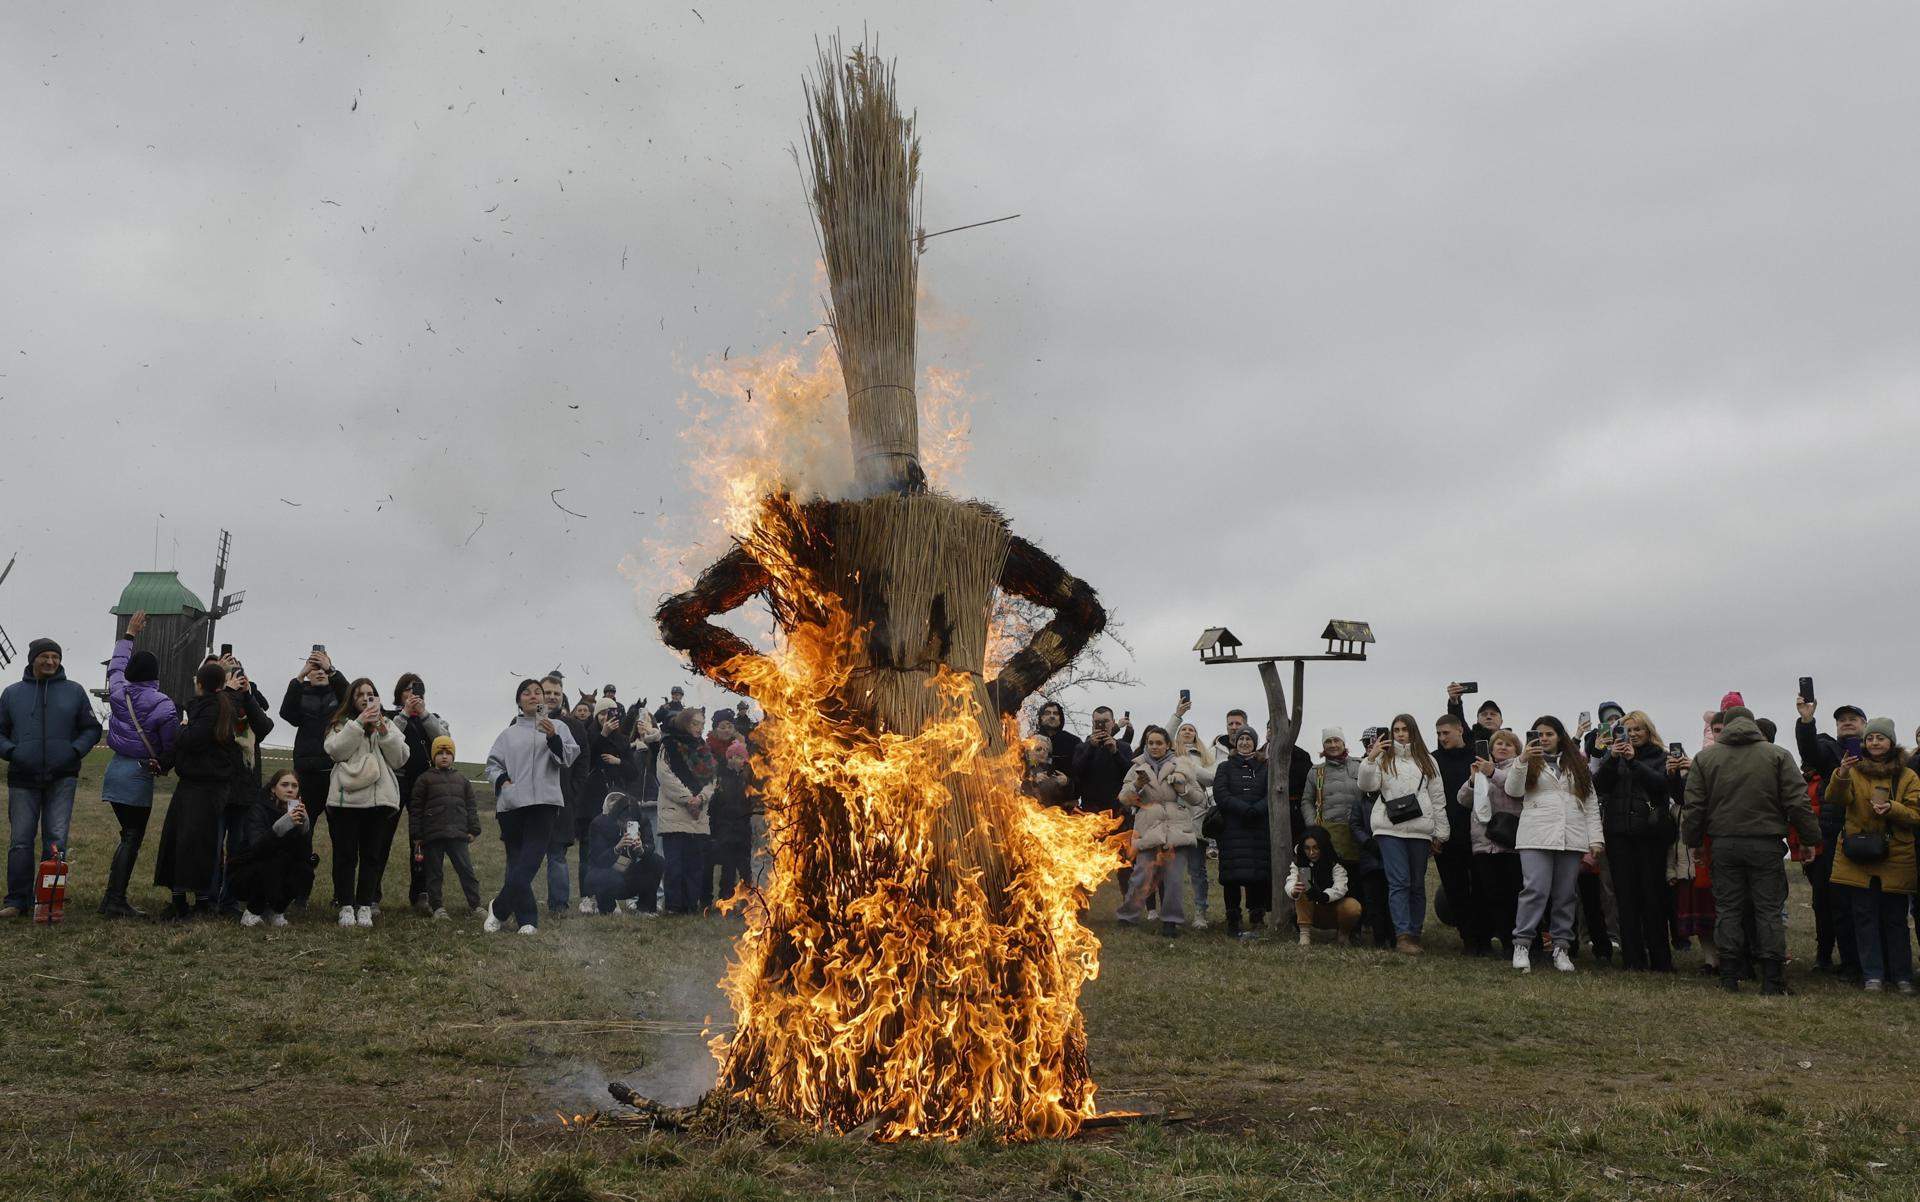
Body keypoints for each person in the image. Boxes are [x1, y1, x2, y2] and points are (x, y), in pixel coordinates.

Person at [1681, 705, 1822, 994]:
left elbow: (1694, 807)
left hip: (1723, 844)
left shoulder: (1706, 759)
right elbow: (1798, 802)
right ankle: (1772, 980)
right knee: (1769, 911)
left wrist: (1694, 843)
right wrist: (1810, 839)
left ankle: (1729, 977)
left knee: (1728, 909)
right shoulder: (1778, 755)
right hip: (1766, 844)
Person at [0, 636, 103, 919]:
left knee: (56, 841)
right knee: (20, 841)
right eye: (44, 656)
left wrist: (74, 750)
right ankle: (16, 901)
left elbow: (91, 728)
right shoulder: (12, 694)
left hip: (62, 776)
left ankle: (48, 902)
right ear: (33, 659)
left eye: (55, 657)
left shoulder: (74, 691)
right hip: (23, 777)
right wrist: (12, 751)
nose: (50, 661)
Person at [1825, 717, 1920, 993]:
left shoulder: (1907, 775)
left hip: (1896, 855)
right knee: (1864, 918)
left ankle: (1901, 976)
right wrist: (1841, 773)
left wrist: (1892, 808)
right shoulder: (1853, 770)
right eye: (1870, 738)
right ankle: (1873, 976)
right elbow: (1836, 798)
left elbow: (1916, 814)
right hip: (1859, 854)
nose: (1874, 743)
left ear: (1891, 741)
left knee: (1895, 920)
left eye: (1880, 738)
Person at [1504, 717, 1603, 974]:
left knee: (1566, 894)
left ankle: (1561, 948)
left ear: (1560, 735)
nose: (1544, 738)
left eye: (1549, 733)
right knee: (1534, 889)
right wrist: (1522, 759)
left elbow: (1590, 804)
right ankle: (1522, 944)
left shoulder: (1577, 764)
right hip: (1535, 834)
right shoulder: (1527, 761)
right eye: (1539, 734)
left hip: (1571, 835)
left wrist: (1595, 839)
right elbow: (1513, 791)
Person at [484, 679, 580, 934]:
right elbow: (492, 764)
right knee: (517, 862)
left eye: (538, 692)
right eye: (526, 693)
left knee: (530, 862)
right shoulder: (508, 733)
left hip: (544, 804)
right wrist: (503, 781)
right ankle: (527, 920)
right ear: (519, 701)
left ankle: (500, 908)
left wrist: (552, 737)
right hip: (512, 806)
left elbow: (568, 758)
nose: (533, 696)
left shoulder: (558, 726)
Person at [98, 611, 178, 918]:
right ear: (155, 674)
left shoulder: (118, 690)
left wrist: (129, 635)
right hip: (138, 774)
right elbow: (169, 743)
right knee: (132, 837)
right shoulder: (162, 703)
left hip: (115, 769)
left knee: (127, 835)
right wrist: (164, 762)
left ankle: (114, 896)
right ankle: (113, 898)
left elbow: (116, 665)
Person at [152, 661, 240, 922]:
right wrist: (165, 762)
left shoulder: (208, 709)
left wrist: (180, 727)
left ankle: (181, 900)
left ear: (199, 683)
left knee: (185, 844)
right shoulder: (220, 707)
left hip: (200, 787)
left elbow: (191, 740)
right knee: (199, 844)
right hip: (204, 786)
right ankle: (201, 899)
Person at [322, 677, 409, 928]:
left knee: (372, 856)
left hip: (378, 801)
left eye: (370, 694)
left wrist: (382, 729)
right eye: (360, 694)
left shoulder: (388, 724)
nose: (365, 698)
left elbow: (400, 758)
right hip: (345, 801)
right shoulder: (340, 724)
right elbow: (336, 751)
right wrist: (359, 724)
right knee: (345, 855)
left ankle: (365, 906)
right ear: (351, 698)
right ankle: (346, 905)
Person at [1592, 711, 1675, 972]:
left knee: (1653, 898)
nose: (1633, 734)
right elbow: (1599, 786)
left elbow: (1663, 785)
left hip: (1650, 836)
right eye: (1628, 730)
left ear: (1648, 731)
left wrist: (1634, 762)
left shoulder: (1660, 757)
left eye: (1638, 729)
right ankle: (1633, 959)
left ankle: (1661, 959)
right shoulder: (1613, 758)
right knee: (1625, 899)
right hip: (1619, 836)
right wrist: (1613, 759)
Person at [1359, 714, 1447, 955]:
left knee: (1417, 885)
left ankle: (1415, 933)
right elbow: (1366, 786)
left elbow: (1438, 798)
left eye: (1405, 729)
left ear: (1413, 731)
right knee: (1399, 882)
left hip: (1420, 829)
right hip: (1389, 828)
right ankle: (1403, 935)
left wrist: (1441, 832)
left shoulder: (1428, 760)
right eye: (1396, 729)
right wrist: (1371, 757)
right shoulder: (1383, 758)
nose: (1400, 733)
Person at [1796, 697, 1866, 977]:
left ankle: (1861, 961)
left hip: (1866, 837)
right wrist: (1806, 721)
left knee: (1859, 904)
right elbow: (1810, 751)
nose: (1846, 722)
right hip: (1832, 837)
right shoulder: (1828, 749)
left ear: (1864, 724)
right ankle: (1825, 957)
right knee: (1825, 902)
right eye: (1841, 719)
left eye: (1853, 718)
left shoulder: (1875, 750)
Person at [1114, 726, 1207, 935]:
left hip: (1177, 828)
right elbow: (1124, 799)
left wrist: (1183, 788)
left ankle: (1170, 921)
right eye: (1151, 743)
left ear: (1167, 745)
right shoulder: (1137, 767)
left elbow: (1199, 798)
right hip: (1148, 827)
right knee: (1141, 875)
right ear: (1146, 744)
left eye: (1159, 743)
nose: (1155, 747)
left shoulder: (1181, 766)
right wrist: (1137, 785)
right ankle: (1128, 916)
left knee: (1174, 879)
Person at [279, 648, 347, 907]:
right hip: (304, 775)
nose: (318, 672)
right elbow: (287, 713)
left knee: (340, 837)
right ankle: (299, 893)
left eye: (323, 667)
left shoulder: (339, 696)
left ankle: (341, 896)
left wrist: (331, 670)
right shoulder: (302, 692)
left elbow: (349, 694)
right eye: (313, 666)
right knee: (299, 834)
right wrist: (300, 676)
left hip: (334, 775)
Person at [1306, 728, 1386, 947]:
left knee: (1358, 881)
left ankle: (1357, 927)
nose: (1333, 745)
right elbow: (1307, 800)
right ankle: (1339, 926)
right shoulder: (1316, 772)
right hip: (1327, 834)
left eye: (1336, 740)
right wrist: (1313, 826)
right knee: (1333, 879)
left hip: (1357, 832)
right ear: (1323, 746)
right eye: (1328, 741)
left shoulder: (1359, 765)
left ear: (1344, 742)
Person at [210, 655, 275, 916]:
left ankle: (229, 900)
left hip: (245, 787)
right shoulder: (218, 699)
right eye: (230, 674)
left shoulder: (248, 700)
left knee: (237, 849)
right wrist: (228, 691)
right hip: (220, 784)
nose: (237, 678)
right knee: (214, 847)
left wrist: (248, 694)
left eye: (239, 673)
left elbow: (265, 726)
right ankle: (210, 898)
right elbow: (219, 722)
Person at [388, 673, 450, 913]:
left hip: (423, 784)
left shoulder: (433, 718)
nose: (413, 695)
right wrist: (404, 714)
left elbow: (444, 740)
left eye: (417, 690)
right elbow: (388, 739)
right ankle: (372, 896)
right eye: (407, 690)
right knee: (383, 837)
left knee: (421, 840)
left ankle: (421, 893)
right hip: (395, 782)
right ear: (399, 693)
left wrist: (423, 714)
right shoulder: (390, 716)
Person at [1463, 728, 1525, 955]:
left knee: (1511, 896)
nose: (1502, 747)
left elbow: (1516, 791)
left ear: (1516, 750)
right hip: (1482, 843)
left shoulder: (1519, 769)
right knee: (1487, 896)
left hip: (1508, 845)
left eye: (1508, 744)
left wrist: (1491, 774)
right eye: (1498, 743)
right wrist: (1473, 778)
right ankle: (1484, 942)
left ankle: (1513, 943)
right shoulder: (1481, 769)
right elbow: (1463, 799)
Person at [228, 769, 316, 927]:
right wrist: (279, 827)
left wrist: (304, 828)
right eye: (284, 784)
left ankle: (276, 910)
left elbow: (304, 855)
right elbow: (257, 849)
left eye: (294, 786)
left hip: (280, 868)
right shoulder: (257, 809)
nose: (290, 789)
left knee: (305, 870)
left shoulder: (296, 812)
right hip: (246, 870)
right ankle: (252, 912)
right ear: (273, 789)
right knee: (273, 860)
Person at [409, 736, 483, 919]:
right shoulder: (424, 780)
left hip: (458, 835)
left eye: (448, 753)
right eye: (440, 753)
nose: (444, 757)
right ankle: (437, 908)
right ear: (433, 756)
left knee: (467, 871)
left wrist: (473, 829)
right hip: (433, 836)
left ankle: (476, 906)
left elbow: (471, 806)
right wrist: (417, 835)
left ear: (453, 756)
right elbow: (416, 810)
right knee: (434, 874)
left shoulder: (462, 780)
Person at [1431, 713, 1484, 956]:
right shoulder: (1432, 761)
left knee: (1482, 888)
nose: (1442, 738)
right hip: (1446, 836)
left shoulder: (1478, 757)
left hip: (1477, 834)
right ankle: (1469, 939)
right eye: (1439, 734)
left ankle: (1484, 935)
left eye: (1446, 733)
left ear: (1460, 730)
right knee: (1455, 890)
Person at [542, 674, 593, 918]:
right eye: (547, 692)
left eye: (556, 693)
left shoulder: (574, 726)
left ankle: (559, 906)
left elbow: (583, 761)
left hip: (562, 799)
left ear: (563, 697)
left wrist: (573, 791)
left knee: (557, 854)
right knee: (523, 854)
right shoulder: (521, 721)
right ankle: (518, 900)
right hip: (529, 800)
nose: (552, 697)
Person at [1212, 727, 1270, 938]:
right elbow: (1221, 793)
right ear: (1235, 743)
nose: (1245, 742)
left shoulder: (1266, 766)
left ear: (1255, 743)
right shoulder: (1225, 767)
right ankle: (1233, 919)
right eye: (1241, 739)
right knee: (1232, 876)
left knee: (1257, 875)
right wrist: (1243, 808)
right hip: (1232, 827)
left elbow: (1271, 792)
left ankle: (1257, 917)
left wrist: (1257, 809)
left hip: (1258, 827)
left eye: (1249, 739)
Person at [657, 706, 715, 914]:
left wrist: (700, 798)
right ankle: (674, 906)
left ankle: (691, 905)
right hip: (675, 813)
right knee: (674, 864)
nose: (699, 728)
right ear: (684, 723)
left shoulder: (703, 749)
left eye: (701, 723)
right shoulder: (669, 745)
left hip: (697, 816)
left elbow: (712, 780)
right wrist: (688, 798)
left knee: (694, 865)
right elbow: (665, 776)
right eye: (694, 723)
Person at [1072, 707, 1134, 893]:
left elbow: (1128, 775)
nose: (1101, 725)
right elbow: (1076, 772)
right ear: (1092, 723)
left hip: (1118, 814)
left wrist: (1115, 752)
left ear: (1113, 723)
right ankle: (1080, 909)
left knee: (1125, 866)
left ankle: (1128, 913)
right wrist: (1091, 747)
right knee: (1085, 864)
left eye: (1105, 721)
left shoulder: (1123, 747)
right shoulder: (1083, 747)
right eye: (1097, 721)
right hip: (1090, 814)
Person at [1169, 712, 1218, 928]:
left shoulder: (1205, 758)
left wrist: (1187, 766)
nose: (1188, 732)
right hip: (1174, 819)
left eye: (1192, 730)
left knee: (1198, 870)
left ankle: (1200, 912)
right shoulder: (1169, 754)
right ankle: (1174, 913)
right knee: (1175, 870)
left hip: (1197, 819)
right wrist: (1178, 716)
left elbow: (1212, 777)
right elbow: (1164, 733)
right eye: (1184, 729)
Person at [584, 791, 664, 916]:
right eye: (623, 821)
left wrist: (642, 850)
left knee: (656, 861)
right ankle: (606, 908)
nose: (627, 825)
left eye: (631, 823)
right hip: (607, 873)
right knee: (599, 875)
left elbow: (651, 846)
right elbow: (596, 860)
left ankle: (646, 908)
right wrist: (616, 848)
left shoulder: (643, 821)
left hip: (629, 874)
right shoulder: (599, 824)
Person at [1287, 825, 1360, 945]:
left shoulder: (1335, 864)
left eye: (1316, 848)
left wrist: (1323, 896)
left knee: (1352, 907)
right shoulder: (1299, 863)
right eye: (1307, 848)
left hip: (1333, 909)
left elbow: (1341, 887)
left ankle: (1343, 934)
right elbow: (1291, 880)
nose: (1311, 852)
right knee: (1303, 886)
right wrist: (1294, 890)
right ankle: (1304, 935)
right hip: (1311, 912)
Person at [709, 739, 755, 900]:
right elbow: (714, 808)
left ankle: (748, 900)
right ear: (730, 758)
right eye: (736, 757)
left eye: (742, 757)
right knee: (728, 869)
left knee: (745, 869)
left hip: (742, 833)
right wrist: (716, 832)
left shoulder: (746, 780)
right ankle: (726, 899)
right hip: (726, 832)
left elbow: (749, 806)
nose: (740, 761)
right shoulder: (721, 779)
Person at [1033, 700, 1082, 801]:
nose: (1052, 716)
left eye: (1055, 713)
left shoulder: (1073, 742)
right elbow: (1019, 771)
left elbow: (1082, 774)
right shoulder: (1030, 741)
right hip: (1033, 804)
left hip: (1065, 806)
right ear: (1041, 718)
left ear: (1061, 718)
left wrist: (1068, 782)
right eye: (1047, 713)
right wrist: (1033, 778)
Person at [1020, 735, 1074, 808]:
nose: (1043, 752)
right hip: (1024, 811)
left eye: (1046, 750)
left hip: (1048, 815)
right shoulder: (1020, 766)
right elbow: (1013, 789)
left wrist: (1066, 783)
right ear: (1029, 752)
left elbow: (1065, 797)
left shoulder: (1052, 770)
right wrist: (1033, 780)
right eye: (1038, 749)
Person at [1446, 685, 1504, 750]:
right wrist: (1454, 702)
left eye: (1493, 714)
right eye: (1484, 714)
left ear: (1501, 721)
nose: (1488, 717)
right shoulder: (1468, 738)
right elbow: (1458, 721)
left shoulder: (1511, 743)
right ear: (1477, 720)